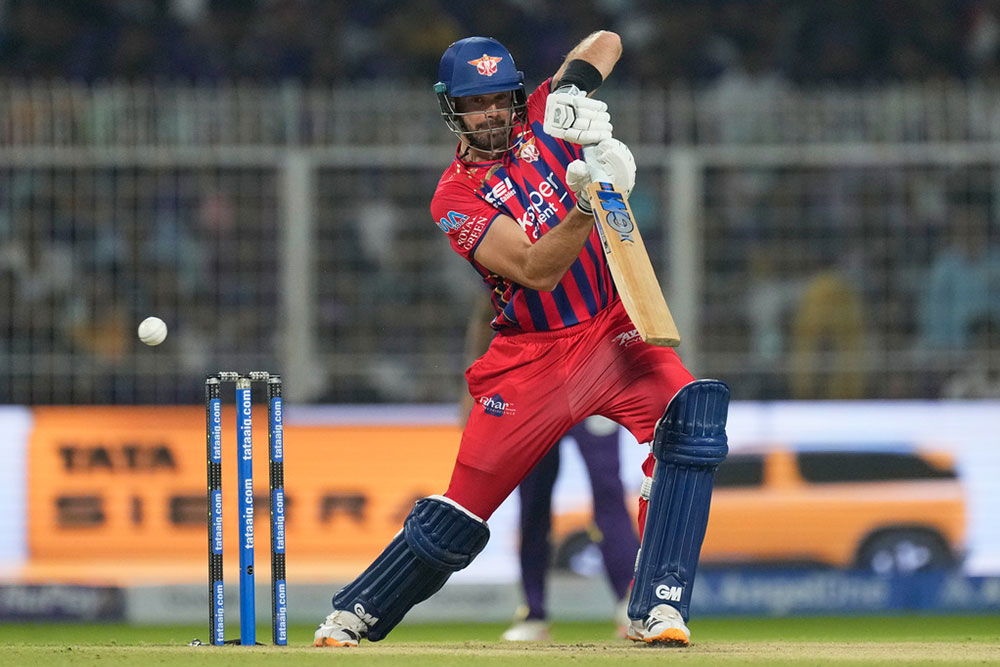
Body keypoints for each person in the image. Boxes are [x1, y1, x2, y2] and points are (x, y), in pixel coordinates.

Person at [314, 31, 731, 648]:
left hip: (615, 333)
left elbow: (607, 42)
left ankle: (659, 606)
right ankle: (356, 613)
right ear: (450, 109)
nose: (491, 113)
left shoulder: (543, 116)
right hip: (531, 358)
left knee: (691, 426)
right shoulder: (452, 196)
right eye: (474, 103)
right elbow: (536, 269)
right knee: (463, 511)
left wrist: (572, 91)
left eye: (500, 98)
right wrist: (590, 200)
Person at [502, 416, 639, 641]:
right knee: (533, 502)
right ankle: (533, 613)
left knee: (609, 492)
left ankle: (632, 606)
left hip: (594, 390)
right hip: (538, 395)